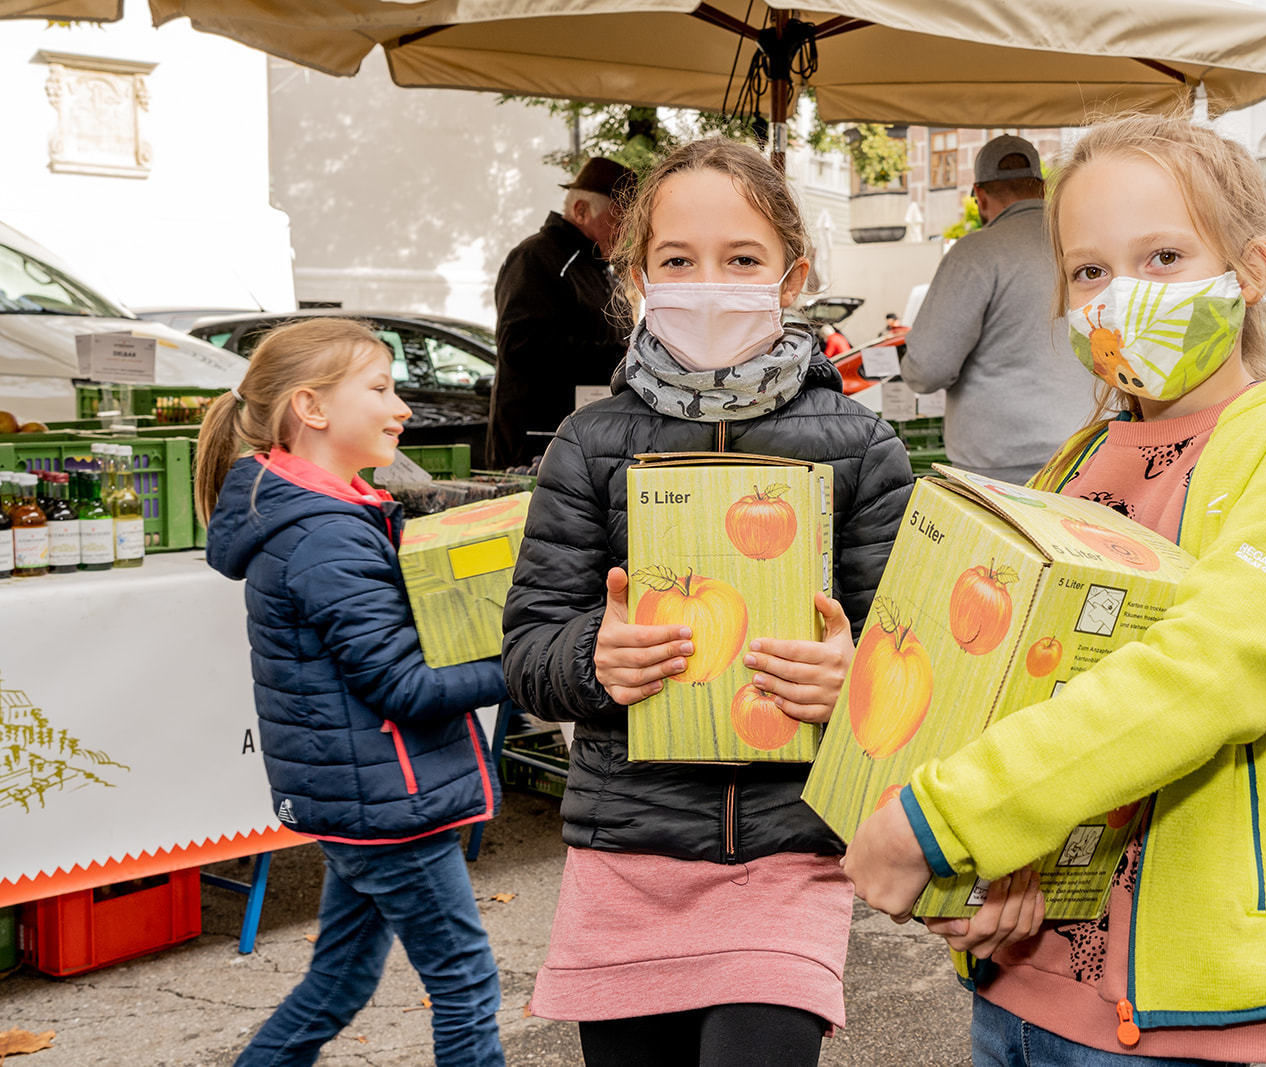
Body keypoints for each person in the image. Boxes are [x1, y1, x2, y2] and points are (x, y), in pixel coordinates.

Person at [843, 113, 1266, 1065]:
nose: (1121, 294)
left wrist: (950, 817)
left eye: (1165, 255)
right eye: (1091, 271)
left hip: (1182, 1025)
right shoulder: (1080, 460)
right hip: (1018, 989)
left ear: (1249, 268)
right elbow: (1013, 694)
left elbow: (1206, 671)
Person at [501, 138, 914, 1065]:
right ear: (638, 277)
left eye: (741, 259)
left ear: (792, 274)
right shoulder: (588, 442)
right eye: (678, 261)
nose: (709, 282)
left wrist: (855, 678)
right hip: (628, 854)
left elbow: (913, 659)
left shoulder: (861, 446)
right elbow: (527, 649)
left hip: (787, 852)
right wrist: (590, 659)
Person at [196, 318, 509, 1067]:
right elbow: (402, 685)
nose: (400, 406)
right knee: (467, 985)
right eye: (379, 388)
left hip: (366, 798)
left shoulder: (322, 515)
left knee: (338, 980)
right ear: (311, 408)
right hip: (387, 803)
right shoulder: (324, 533)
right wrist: (531, 661)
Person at [900, 134, 1096, 484]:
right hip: (1091, 451)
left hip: (1001, 470)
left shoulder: (977, 252)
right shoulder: (1085, 242)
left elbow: (926, 369)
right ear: (1042, 188)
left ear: (979, 195)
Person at [489, 156, 637, 469]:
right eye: (619, 220)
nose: (626, 233)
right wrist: (617, 355)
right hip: (537, 442)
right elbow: (519, 345)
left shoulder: (598, 268)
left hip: (585, 435)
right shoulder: (535, 257)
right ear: (581, 211)